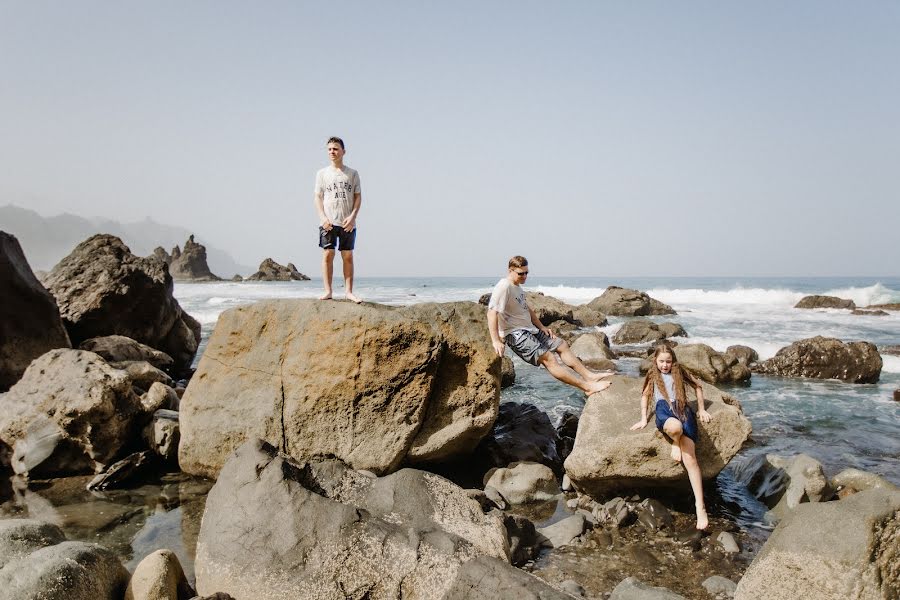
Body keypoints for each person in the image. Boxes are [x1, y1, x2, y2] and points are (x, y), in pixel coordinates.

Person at [487, 256, 613, 395]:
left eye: (526, 273)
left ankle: (588, 376)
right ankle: (587, 387)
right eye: (521, 273)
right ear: (510, 270)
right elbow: (491, 313)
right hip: (516, 334)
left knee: (562, 345)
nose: (525, 276)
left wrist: (541, 327)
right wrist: (496, 340)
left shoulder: (517, 287)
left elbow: (526, 309)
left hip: (530, 329)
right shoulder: (504, 287)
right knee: (549, 359)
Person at [630, 343, 713, 530]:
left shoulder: (679, 371)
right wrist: (644, 419)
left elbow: (698, 386)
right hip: (664, 411)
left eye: (668, 361)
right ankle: (675, 442)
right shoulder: (653, 375)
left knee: (691, 460)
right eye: (662, 361)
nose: (665, 365)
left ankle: (700, 508)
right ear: (655, 361)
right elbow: (645, 396)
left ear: (673, 361)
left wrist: (700, 410)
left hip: (683, 410)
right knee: (675, 429)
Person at [314, 136, 362, 303]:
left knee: (347, 255)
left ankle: (348, 292)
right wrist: (322, 217)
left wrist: (353, 216)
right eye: (329, 149)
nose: (332, 152)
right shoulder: (322, 174)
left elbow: (358, 197)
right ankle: (328, 291)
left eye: (335, 149)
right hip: (328, 221)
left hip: (347, 221)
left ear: (343, 151)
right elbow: (317, 198)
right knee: (328, 253)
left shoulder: (352, 174)